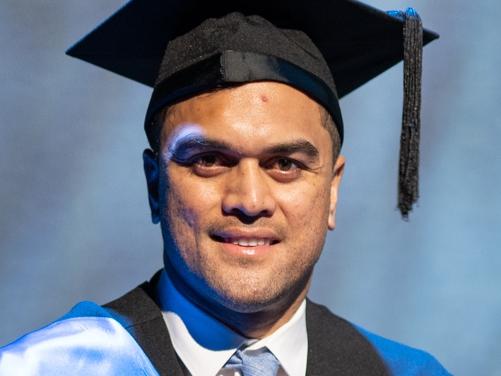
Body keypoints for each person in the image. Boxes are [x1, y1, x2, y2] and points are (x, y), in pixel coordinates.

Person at [0, 0, 451, 375]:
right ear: (155, 186)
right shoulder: (56, 367)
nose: (249, 202)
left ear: (332, 190)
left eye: (284, 164)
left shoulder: (403, 373)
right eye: (209, 161)